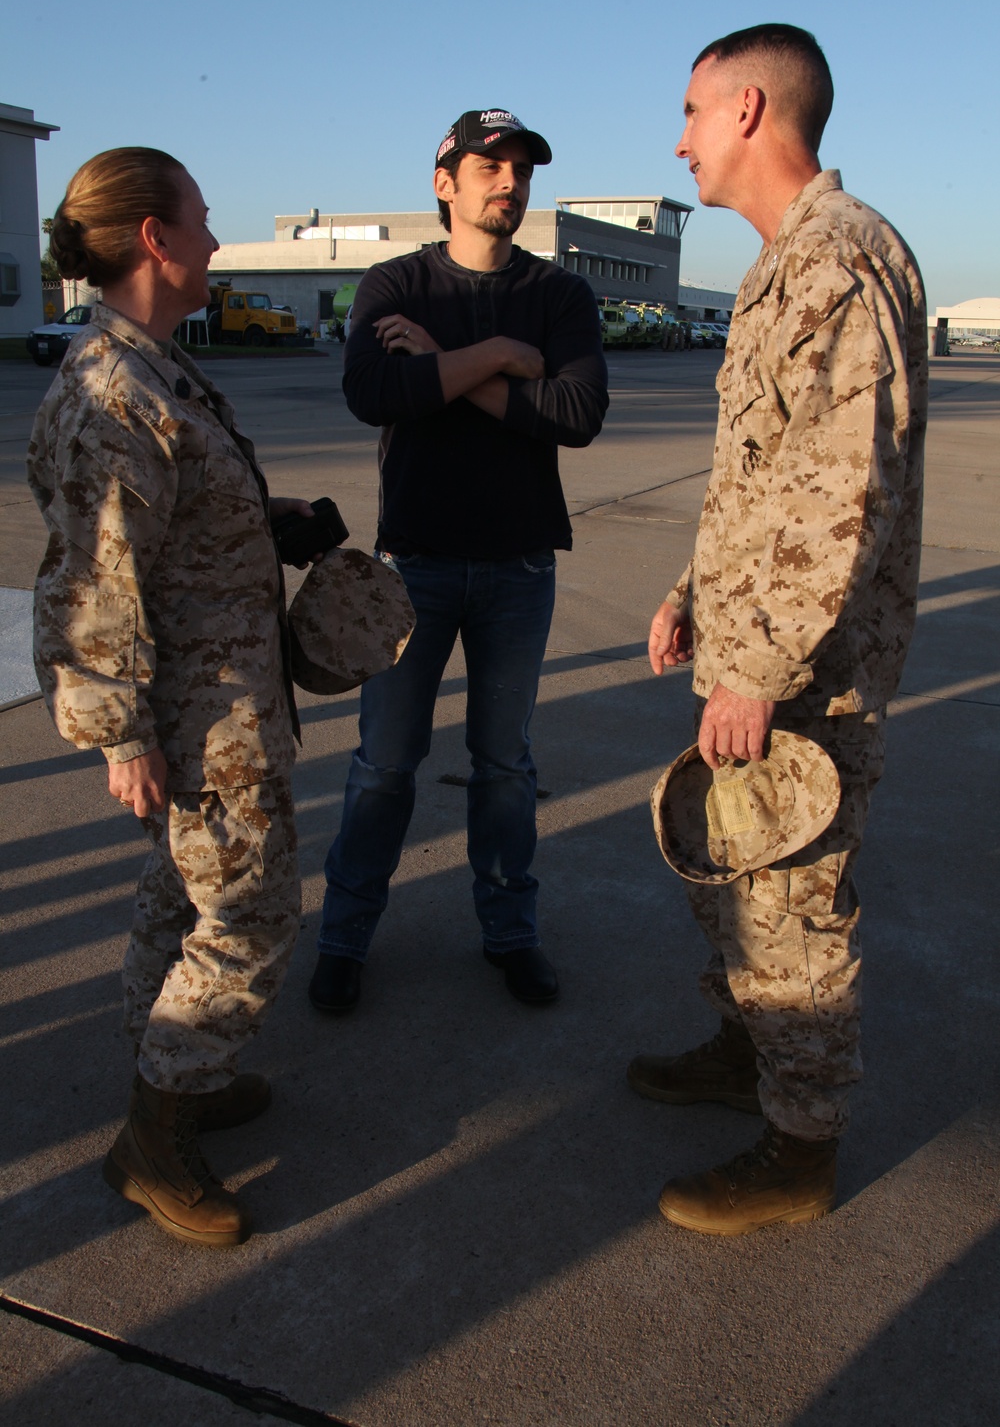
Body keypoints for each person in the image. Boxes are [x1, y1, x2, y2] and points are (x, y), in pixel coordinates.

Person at [629, 25, 927, 1235]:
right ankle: (746, 1048)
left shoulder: (835, 264)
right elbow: (761, 474)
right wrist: (693, 595)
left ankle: (798, 1143)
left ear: (748, 109)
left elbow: (842, 490)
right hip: (760, 650)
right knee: (740, 877)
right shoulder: (781, 264)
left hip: (809, 671)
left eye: (692, 110)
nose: (680, 136)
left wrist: (753, 668)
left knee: (795, 904)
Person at [28, 147, 314, 1247]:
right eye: (198, 216)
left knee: (183, 899)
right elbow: (92, 581)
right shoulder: (115, 390)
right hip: (197, 719)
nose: (211, 236)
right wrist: (120, 736)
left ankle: (178, 1078)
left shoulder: (153, 368)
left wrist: (261, 520)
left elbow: (167, 530)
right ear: (153, 236)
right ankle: (155, 1134)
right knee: (246, 913)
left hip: (221, 698)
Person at [309, 109, 608, 1014]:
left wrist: (446, 367)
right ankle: (344, 940)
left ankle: (510, 935)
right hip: (414, 567)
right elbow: (372, 391)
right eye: (490, 164)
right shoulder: (394, 283)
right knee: (384, 764)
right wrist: (493, 360)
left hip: (519, 568)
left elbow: (576, 415)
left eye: (521, 168)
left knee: (506, 766)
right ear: (445, 181)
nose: (508, 181)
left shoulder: (559, 296)